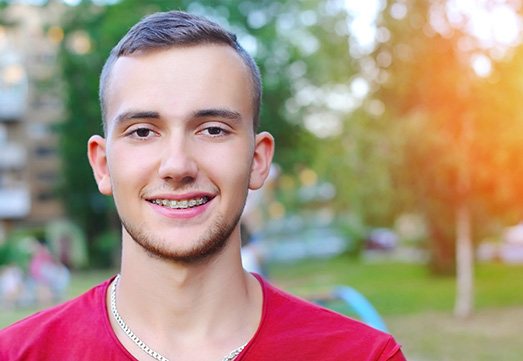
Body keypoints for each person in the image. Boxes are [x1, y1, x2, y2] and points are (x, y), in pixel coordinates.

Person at [0, 10, 406, 361]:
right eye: (143, 132)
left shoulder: (361, 355)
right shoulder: (17, 354)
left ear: (258, 160)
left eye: (212, 129)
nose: (177, 165)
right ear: (103, 165)